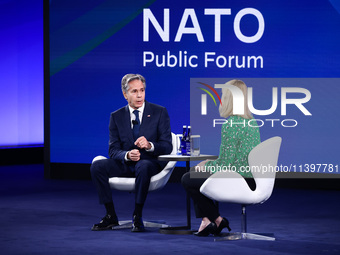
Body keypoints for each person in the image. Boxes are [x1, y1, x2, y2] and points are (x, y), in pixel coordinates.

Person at [90, 74, 172, 232]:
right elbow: (113, 150)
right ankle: (110, 215)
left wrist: (149, 146)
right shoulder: (116, 117)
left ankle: (138, 214)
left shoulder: (159, 112)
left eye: (142, 90)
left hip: (149, 164)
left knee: (143, 165)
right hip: (126, 164)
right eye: (134, 91)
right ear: (125, 94)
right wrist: (127, 155)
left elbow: (167, 146)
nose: (140, 95)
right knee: (97, 166)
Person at [181, 79, 261, 236]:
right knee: (194, 172)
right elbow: (233, 160)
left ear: (229, 99)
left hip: (239, 179)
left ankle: (216, 219)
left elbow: (226, 165)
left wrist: (206, 164)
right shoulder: (252, 122)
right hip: (252, 178)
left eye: (223, 95)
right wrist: (208, 164)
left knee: (187, 178)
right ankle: (207, 221)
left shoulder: (231, 124)